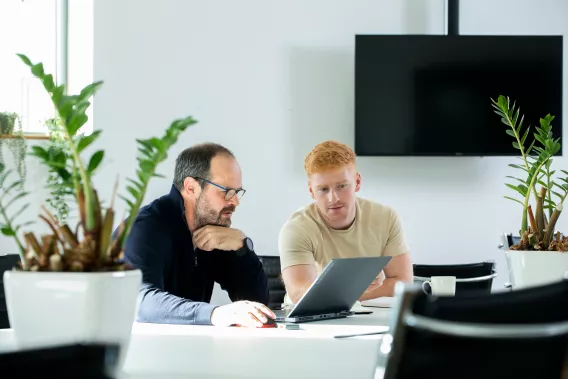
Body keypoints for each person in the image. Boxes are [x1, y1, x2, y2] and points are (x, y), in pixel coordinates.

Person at [122, 142, 275, 327]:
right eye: (226, 191)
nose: (235, 201)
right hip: (136, 351)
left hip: (190, 347)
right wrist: (215, 314)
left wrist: (242, 248)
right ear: (191, 188)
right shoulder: (145, 227)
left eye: (237, 192)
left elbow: (257, 301)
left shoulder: (213, 230)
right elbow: (141, 302)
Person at [279, 140, 413, 305]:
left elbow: (404, 282)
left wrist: (348, 291)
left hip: (370, 312)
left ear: (357, 182)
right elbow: (300, 295)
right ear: (311, 191)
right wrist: (356, 288)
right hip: (310, 318)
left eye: (341, 186)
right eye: (323, 189)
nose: (333, 198)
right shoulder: (296, 228)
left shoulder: (386, 217)